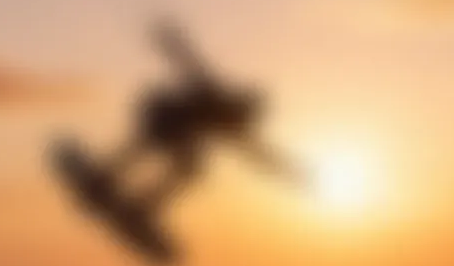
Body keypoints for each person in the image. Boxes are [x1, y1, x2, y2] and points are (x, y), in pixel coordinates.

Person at [104, 20, 306, 212]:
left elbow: (260, 154)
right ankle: (109, 176)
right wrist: (169, 39)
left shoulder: (231, 126)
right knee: (154, 143)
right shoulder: (213, 94)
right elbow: (189, 62)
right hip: (162, 115)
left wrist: (290, 171)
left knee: (190, 168)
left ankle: (143, 202)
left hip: (175, 132)